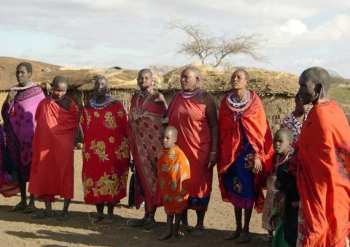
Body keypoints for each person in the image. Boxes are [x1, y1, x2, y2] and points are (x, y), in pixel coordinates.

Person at [295, 67, 350, 247]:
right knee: (333, 228)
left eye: (303, 86)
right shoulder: (335, 110)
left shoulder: (320, 115)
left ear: (317, 89)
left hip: (321, 189)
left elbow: (317, 159)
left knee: (319, 230)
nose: (299, 92)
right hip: (337, 185)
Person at [217, 69, 273, 243]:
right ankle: (238, 228)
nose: (235, 79)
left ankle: (247, 230)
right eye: (233, 76)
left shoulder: (255, 104)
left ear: (246, 81)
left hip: (249, 156)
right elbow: (222, 130)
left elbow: (261, 132)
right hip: (231, 156)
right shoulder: (226, 103)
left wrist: (258, 156)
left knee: (248, 191)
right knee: (234, 188)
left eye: (239, 77)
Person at [167, 66, 218, 235]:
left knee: (199, 185)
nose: (183, 80)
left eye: (186, 77)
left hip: (199, 152)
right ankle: (183, 221)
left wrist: (213, 151)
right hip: (179, 151)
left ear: (197, 79)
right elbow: (167, 122)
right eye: (182, 77)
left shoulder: (205, 99)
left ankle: (200, 223)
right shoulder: (175, 98)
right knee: (181, 184)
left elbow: (214, 126)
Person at [28, 76, 79, 220]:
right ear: (52, 87)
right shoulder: (44, 104)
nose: (59, 93)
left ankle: (65, 211)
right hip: (45, 145)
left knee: (65, 174)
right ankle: (48, 209)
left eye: (63, 91)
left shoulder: (70, 104)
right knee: (45, 174)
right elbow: (39, 122)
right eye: (57, 90)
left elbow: (74, 124)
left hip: (64, 146)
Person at [80, 75, 129, 223]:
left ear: (107, 88)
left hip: (114, 151)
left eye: (102, 85)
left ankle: (111, 213)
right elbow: (83, 128)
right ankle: (100, 213)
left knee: (112, 179)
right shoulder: (87, 107)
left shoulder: (116, 105)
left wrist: (125, 150)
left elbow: (125, 128)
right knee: (94, 179)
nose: (99, 87)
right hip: (93, 153)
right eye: (97, 85)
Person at [1, 62, 45, 212]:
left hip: (32, 138)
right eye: (17, 72)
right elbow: (5, 114)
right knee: (19, 169)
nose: (19, 75)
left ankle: (32, 201)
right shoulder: (14, 91)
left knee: (32, 169)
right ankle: (23, 200)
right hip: (15, 138)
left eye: (22, 72)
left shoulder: (38, 92)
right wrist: (9, 101)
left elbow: (43, 114)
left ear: (30, 74)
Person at [128, 68, 167, 228]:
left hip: (155, 146)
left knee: (156, 181)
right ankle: (147, 215)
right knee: (143, 180)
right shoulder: (135, 97)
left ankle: (153, 216)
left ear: (152, 80)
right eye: (140, 78)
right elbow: (131, 120)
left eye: (146, 78)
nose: (143, 80)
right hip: (138, 146)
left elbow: (166, 119)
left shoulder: (158, 97)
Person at [157, 126, 190, 240]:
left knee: (178, 211)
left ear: (175, 139)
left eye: (167, 138)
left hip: (178, 190)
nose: (164, 140)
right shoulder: (162, 153)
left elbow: (185, 171)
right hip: (166, 188)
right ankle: (168, 231)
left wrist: (181, 190)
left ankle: (175, 232)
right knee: (169, 211)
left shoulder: (180, 155)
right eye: (163, 138)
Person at [273, 128, 299, 247]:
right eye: (275, 141)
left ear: (290, 142)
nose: (276, 144)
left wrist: (297, 200)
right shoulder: (278, 157)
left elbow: (297, 182)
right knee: (285, 230)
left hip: (294, 203)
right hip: (285, 202)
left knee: (292, 232)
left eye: (280, 141)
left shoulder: (293, 161)